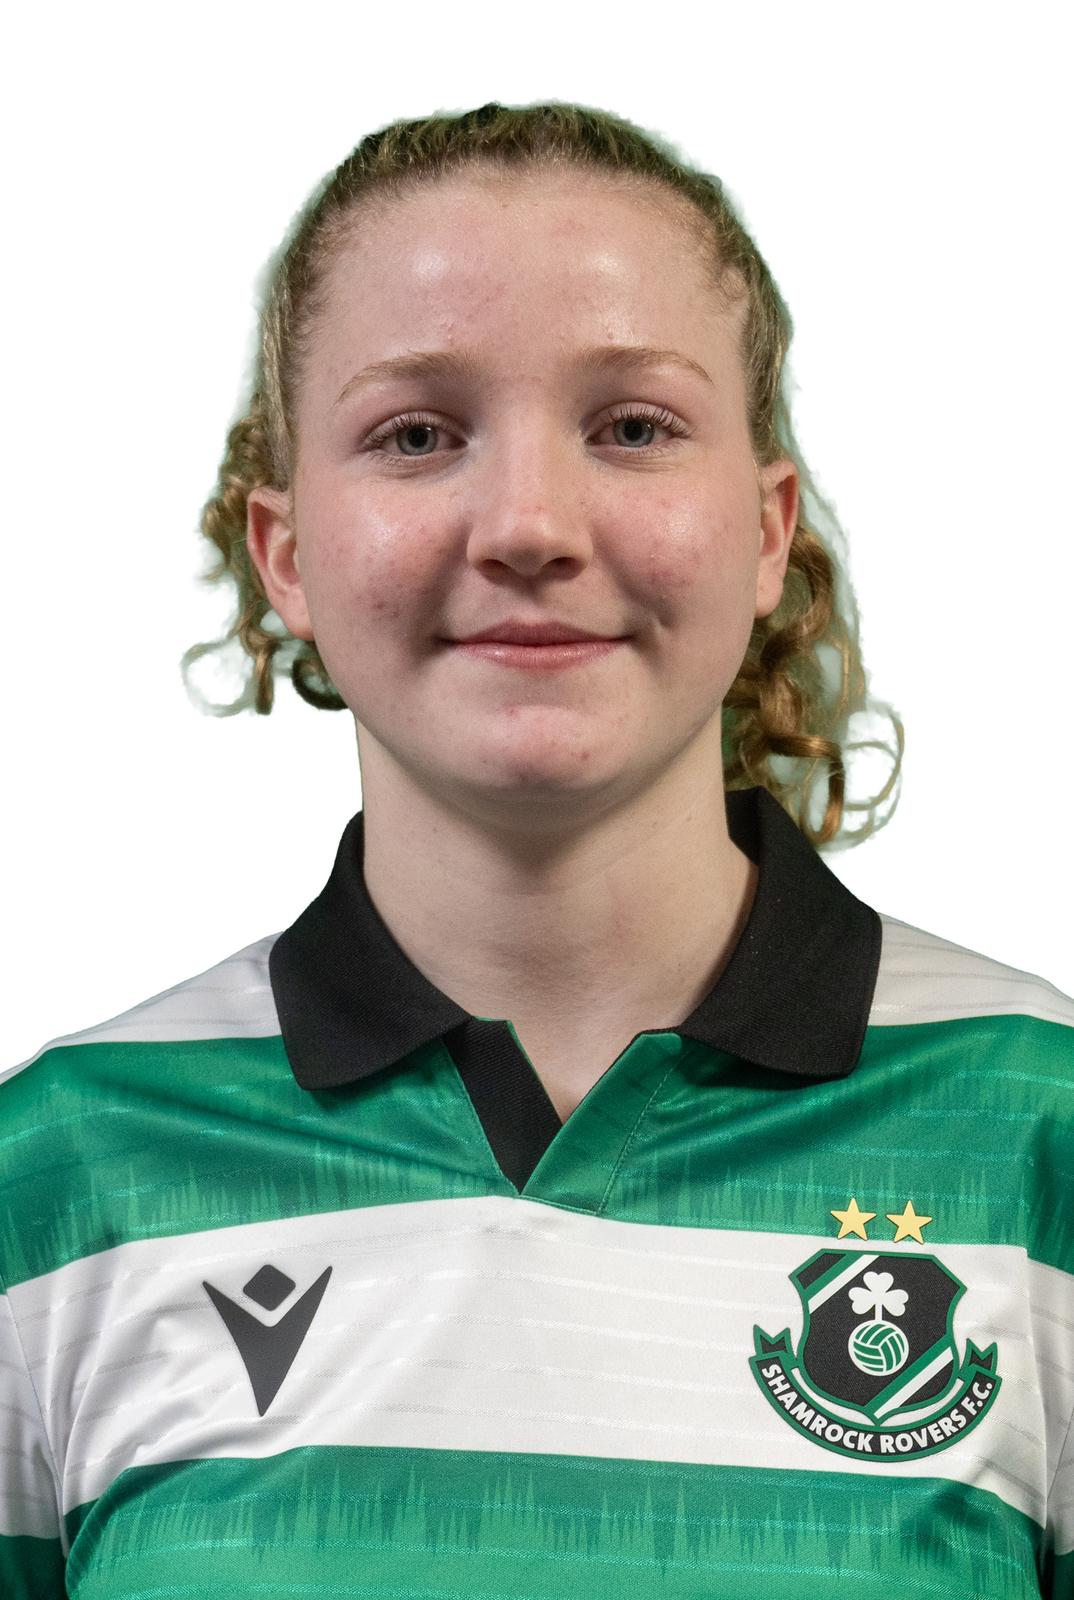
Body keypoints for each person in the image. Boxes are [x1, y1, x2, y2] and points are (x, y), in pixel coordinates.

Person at [1, 99, 1071, 1600]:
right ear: (287, 551)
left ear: (764, 532)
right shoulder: (56, 1173)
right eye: (417, 434)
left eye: (631, 426)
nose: (527, 524)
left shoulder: (1038, 1128)